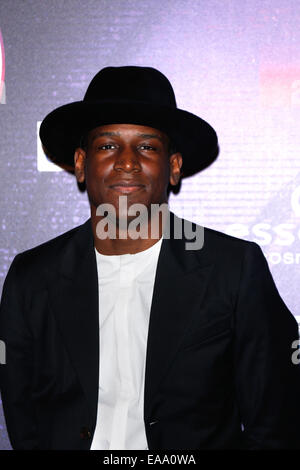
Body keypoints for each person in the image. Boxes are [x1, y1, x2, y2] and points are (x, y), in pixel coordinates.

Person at [0, 66, 300, 450]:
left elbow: (274, 424)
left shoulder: (234, 270)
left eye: (147, 146)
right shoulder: (32, 278)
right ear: (80, 163)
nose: (127, 162)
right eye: (107, 145)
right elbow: (25, 424)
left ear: (173, 167)